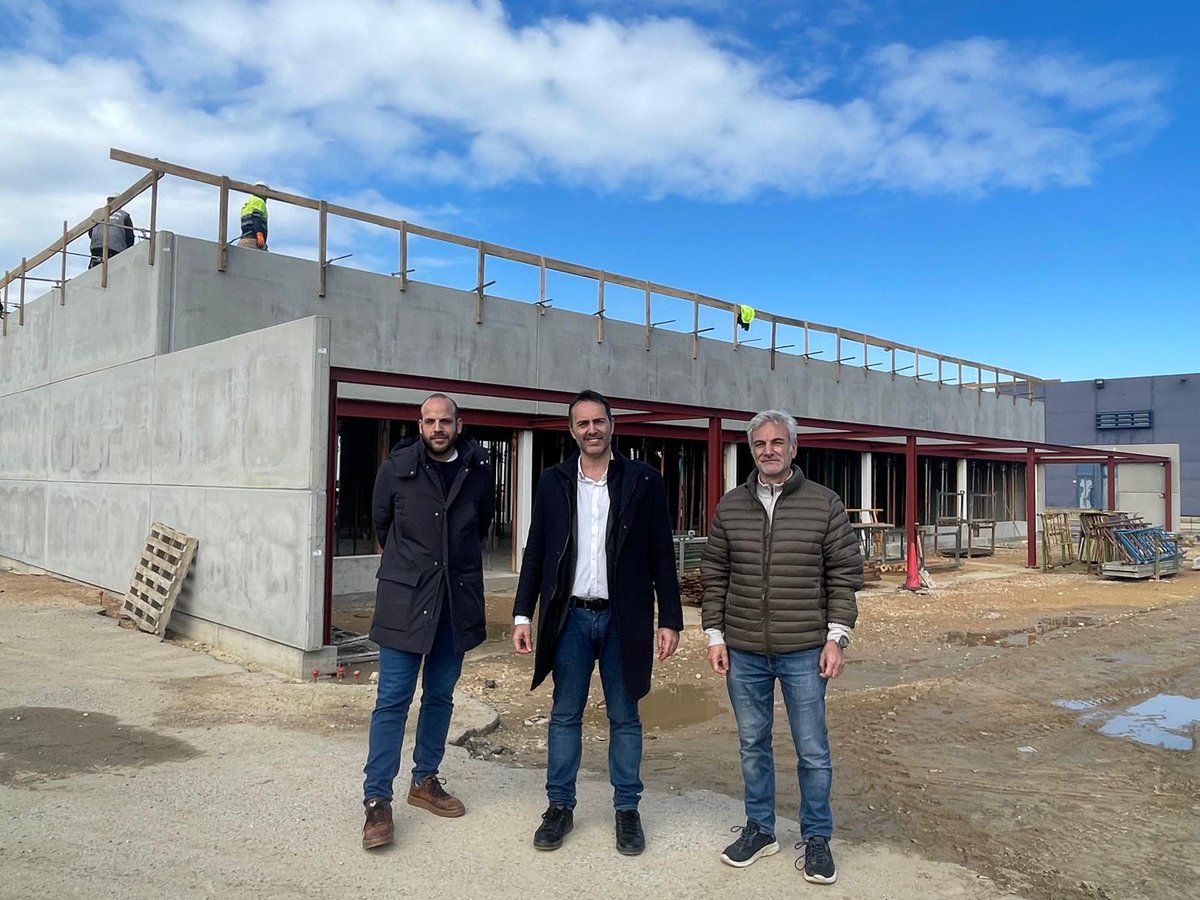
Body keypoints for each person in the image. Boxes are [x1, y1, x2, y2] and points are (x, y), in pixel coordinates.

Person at [512, 389, 683, 856]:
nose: (592, 430)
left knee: (625, 716)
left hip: (623, 619)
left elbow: (661, 552)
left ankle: (627, 810)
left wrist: (670, 618)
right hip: (569, 617)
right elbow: (536, 550)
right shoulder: (553, 482)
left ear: (612, 425)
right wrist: (523, 613)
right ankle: (559, 807)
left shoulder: (643, 481)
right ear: (572, 431)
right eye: (583, 423)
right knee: (565, 713)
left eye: (599, 421)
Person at [701, 409, 862, 884]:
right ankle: (760, 829)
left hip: (804, 650)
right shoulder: (731, 506)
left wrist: (837, 638)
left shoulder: (825, 504)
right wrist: (715, 635)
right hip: (744, 649)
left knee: (811, 749)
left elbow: (844, 575)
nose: (768, 451)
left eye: (777, 442)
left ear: (793, 447)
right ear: (751, 450)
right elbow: (715, 575)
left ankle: (817, 837)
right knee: (753, 744)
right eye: (759, 444)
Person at [361, 394, 495, 851]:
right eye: (430, 421)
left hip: (454, 604)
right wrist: (416, 568)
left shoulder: (478, 470)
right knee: (392, 699)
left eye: (446, 421)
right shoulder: (396, 470)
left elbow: (479, 527)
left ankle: (425, 781)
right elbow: (383, 526)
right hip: (405, 600)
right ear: (419, 426)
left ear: (459, 425)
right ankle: (377, 800)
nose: (438, 428)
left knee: (439, 696)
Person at [88, 198, 135, 268]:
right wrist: (128, 250)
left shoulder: (96, 213)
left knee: (95, 269)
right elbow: (130, 236)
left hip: (97, 248)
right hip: (116, 249)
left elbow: (90, 232)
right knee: (115, 270)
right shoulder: (124, 215)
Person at [238, 182, 269, 250]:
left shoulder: (247, 203)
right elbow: (256, 217)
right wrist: (259, 234)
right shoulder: (259, 201)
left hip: (244, 240)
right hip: (254, 241)